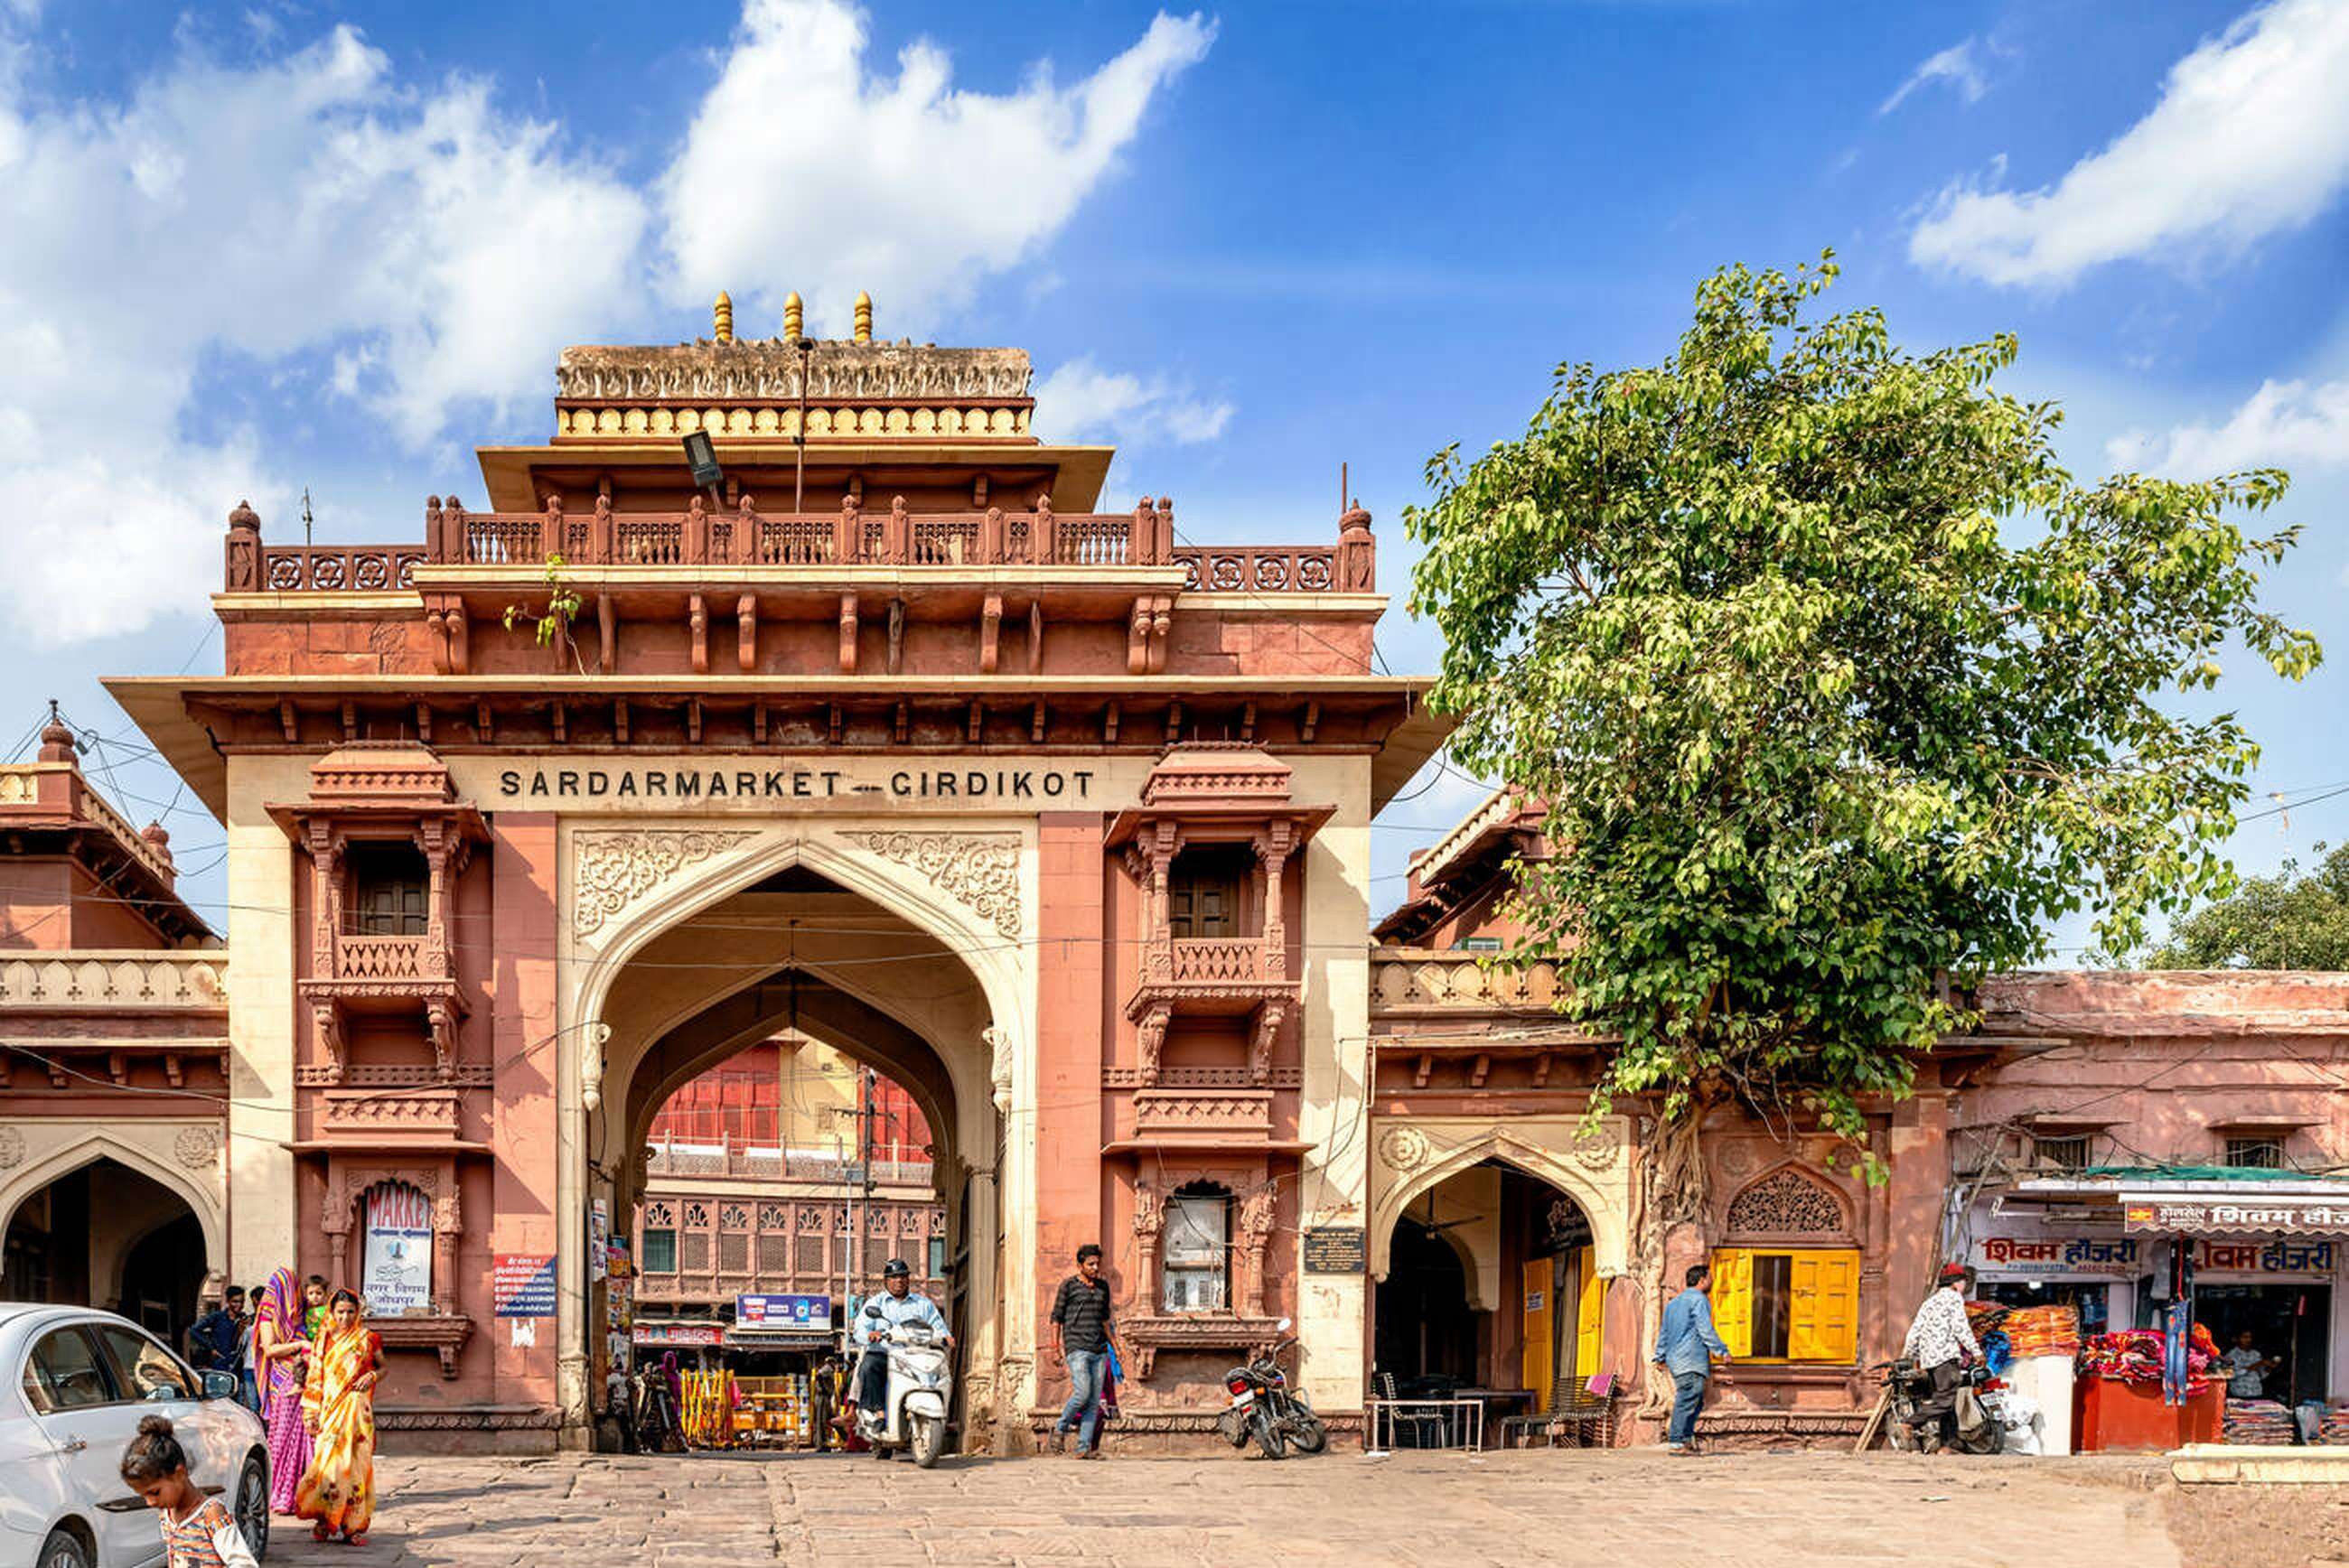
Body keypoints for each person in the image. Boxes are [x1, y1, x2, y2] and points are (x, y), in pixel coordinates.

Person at [295, 1288, 383, 1545]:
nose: (345, 1317)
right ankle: (325, 1518)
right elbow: (315, 1379)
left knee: (357, 1468)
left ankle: (353, 1526)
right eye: (340, 1312)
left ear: (358, 1314)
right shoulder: (323, 1341)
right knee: (327, 1468)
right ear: (332, 1313)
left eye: (350, 1312)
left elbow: (383, 1366)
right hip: (330, 1413)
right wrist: (311, 1413)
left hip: (358, 1414)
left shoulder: (368, 1338)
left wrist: (373, 1375)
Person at [119, 1414, 261, 1568]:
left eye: (155, 1492)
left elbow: (244, 1564)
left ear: (179, 1473)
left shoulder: (211, 1513)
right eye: (143, 1496)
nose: (150, 1502)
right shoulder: (167, 1516)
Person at [849, 1258, 952, 1436]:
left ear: (908, 1279)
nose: (899, 1281)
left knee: (940, 1371)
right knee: (869, 1365)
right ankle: (878, 1413)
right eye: (894, 1277)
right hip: (885, 1354)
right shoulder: (876, 1304)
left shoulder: (923, 1304)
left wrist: (946, 1337)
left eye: (903, 1276)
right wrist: (870, 1335)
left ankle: (941, 1414)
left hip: (917, 1355)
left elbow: (938, 1326)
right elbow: (860, 1329)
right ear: (886, 1281)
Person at [251, 1268, 315, 1515]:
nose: (295, 1294)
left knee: (304, 1436)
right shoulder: (269, 1316)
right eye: (290, 1289)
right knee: (284, 1436)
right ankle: (282, 1492)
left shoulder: (299, 1317)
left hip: (302, 1379)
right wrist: (299, 1345)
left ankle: (306, 1493)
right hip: (284, 1381)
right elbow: (269, 1349)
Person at [1652, 1262, 1732, 1455]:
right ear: (1702, 1280)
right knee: (1688, 1398)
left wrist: (1660, 1356)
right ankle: (1677, 1442)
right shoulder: (1699, 1299)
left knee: (1695, 1400)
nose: (1712, 1281)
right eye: (1710, 1278)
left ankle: (1685, 1439)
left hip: (1676, 1359)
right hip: (1690, 1358)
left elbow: (1664, 1333)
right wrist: (1721, 1350)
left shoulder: (1673, 1304)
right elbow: (1705, 1329)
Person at [1902, 1263, 1983, 1452]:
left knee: (1949, 1404)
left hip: (1930, 1361)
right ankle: (1911, 1423)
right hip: (1945, 1358)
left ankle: (1947, 1445)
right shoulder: (1954, 1299)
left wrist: (1910, 1355)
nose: (1964, 1287)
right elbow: (1961, 1328)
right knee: (1945, 1400)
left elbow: (1915, 1331)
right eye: (1963, 1282)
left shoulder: (1929, 1303)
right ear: (1956, 1283)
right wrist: (1976, 1351)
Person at [1048, 1243, 1116, 1459]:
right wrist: (1055, 1348)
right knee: (1083, 1392)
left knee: (1094, 1401)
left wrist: (1116, 1347)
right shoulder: (1068, 1286)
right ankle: (1060, 1427)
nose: (1095, 1268)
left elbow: (1106, 1320)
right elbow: (1056, 1318)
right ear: (1080, 1265)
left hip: (1099, 1349)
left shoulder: (1103, 1287)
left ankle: (1084, 1447)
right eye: (1090, 1264)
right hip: (1077, 1347)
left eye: (1097, 1263)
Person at [184, 1286, 246, 1383]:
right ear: (228, 1301)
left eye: (242, 1302)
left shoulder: (244, 1319)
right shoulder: (217, 1317)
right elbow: (194, 1330)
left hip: (237, 1366)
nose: (239, 1305)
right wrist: (211, 1348)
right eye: (235, 1301)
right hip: (220, 1364)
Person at [2223, 1329, 2280, 1400]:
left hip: (2256, 1393)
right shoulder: (2231, 1355)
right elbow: (2230, 1375)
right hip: (2239, 1394)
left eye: (2250, 1337)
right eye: (2245, 1337)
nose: (2248, 1340)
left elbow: (2262, 1376)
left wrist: (2269, 1368)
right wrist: (2256, 1365)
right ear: (2237, 1339)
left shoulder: (2256, 1354)